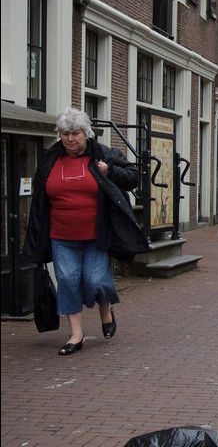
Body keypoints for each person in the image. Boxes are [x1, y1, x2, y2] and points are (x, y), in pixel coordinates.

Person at [22, 108, 149, 355]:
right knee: (68, 281)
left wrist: (109, 172)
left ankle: (104, 306)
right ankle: (76, 335)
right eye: (65, 134)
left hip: (96, 234)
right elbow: (39, 199)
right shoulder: (50, 159)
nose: (70, 139)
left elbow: (133, 177)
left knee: (95, 281)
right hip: (61, 234)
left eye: (75, 133)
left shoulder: (103, 154)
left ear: (86, 133)